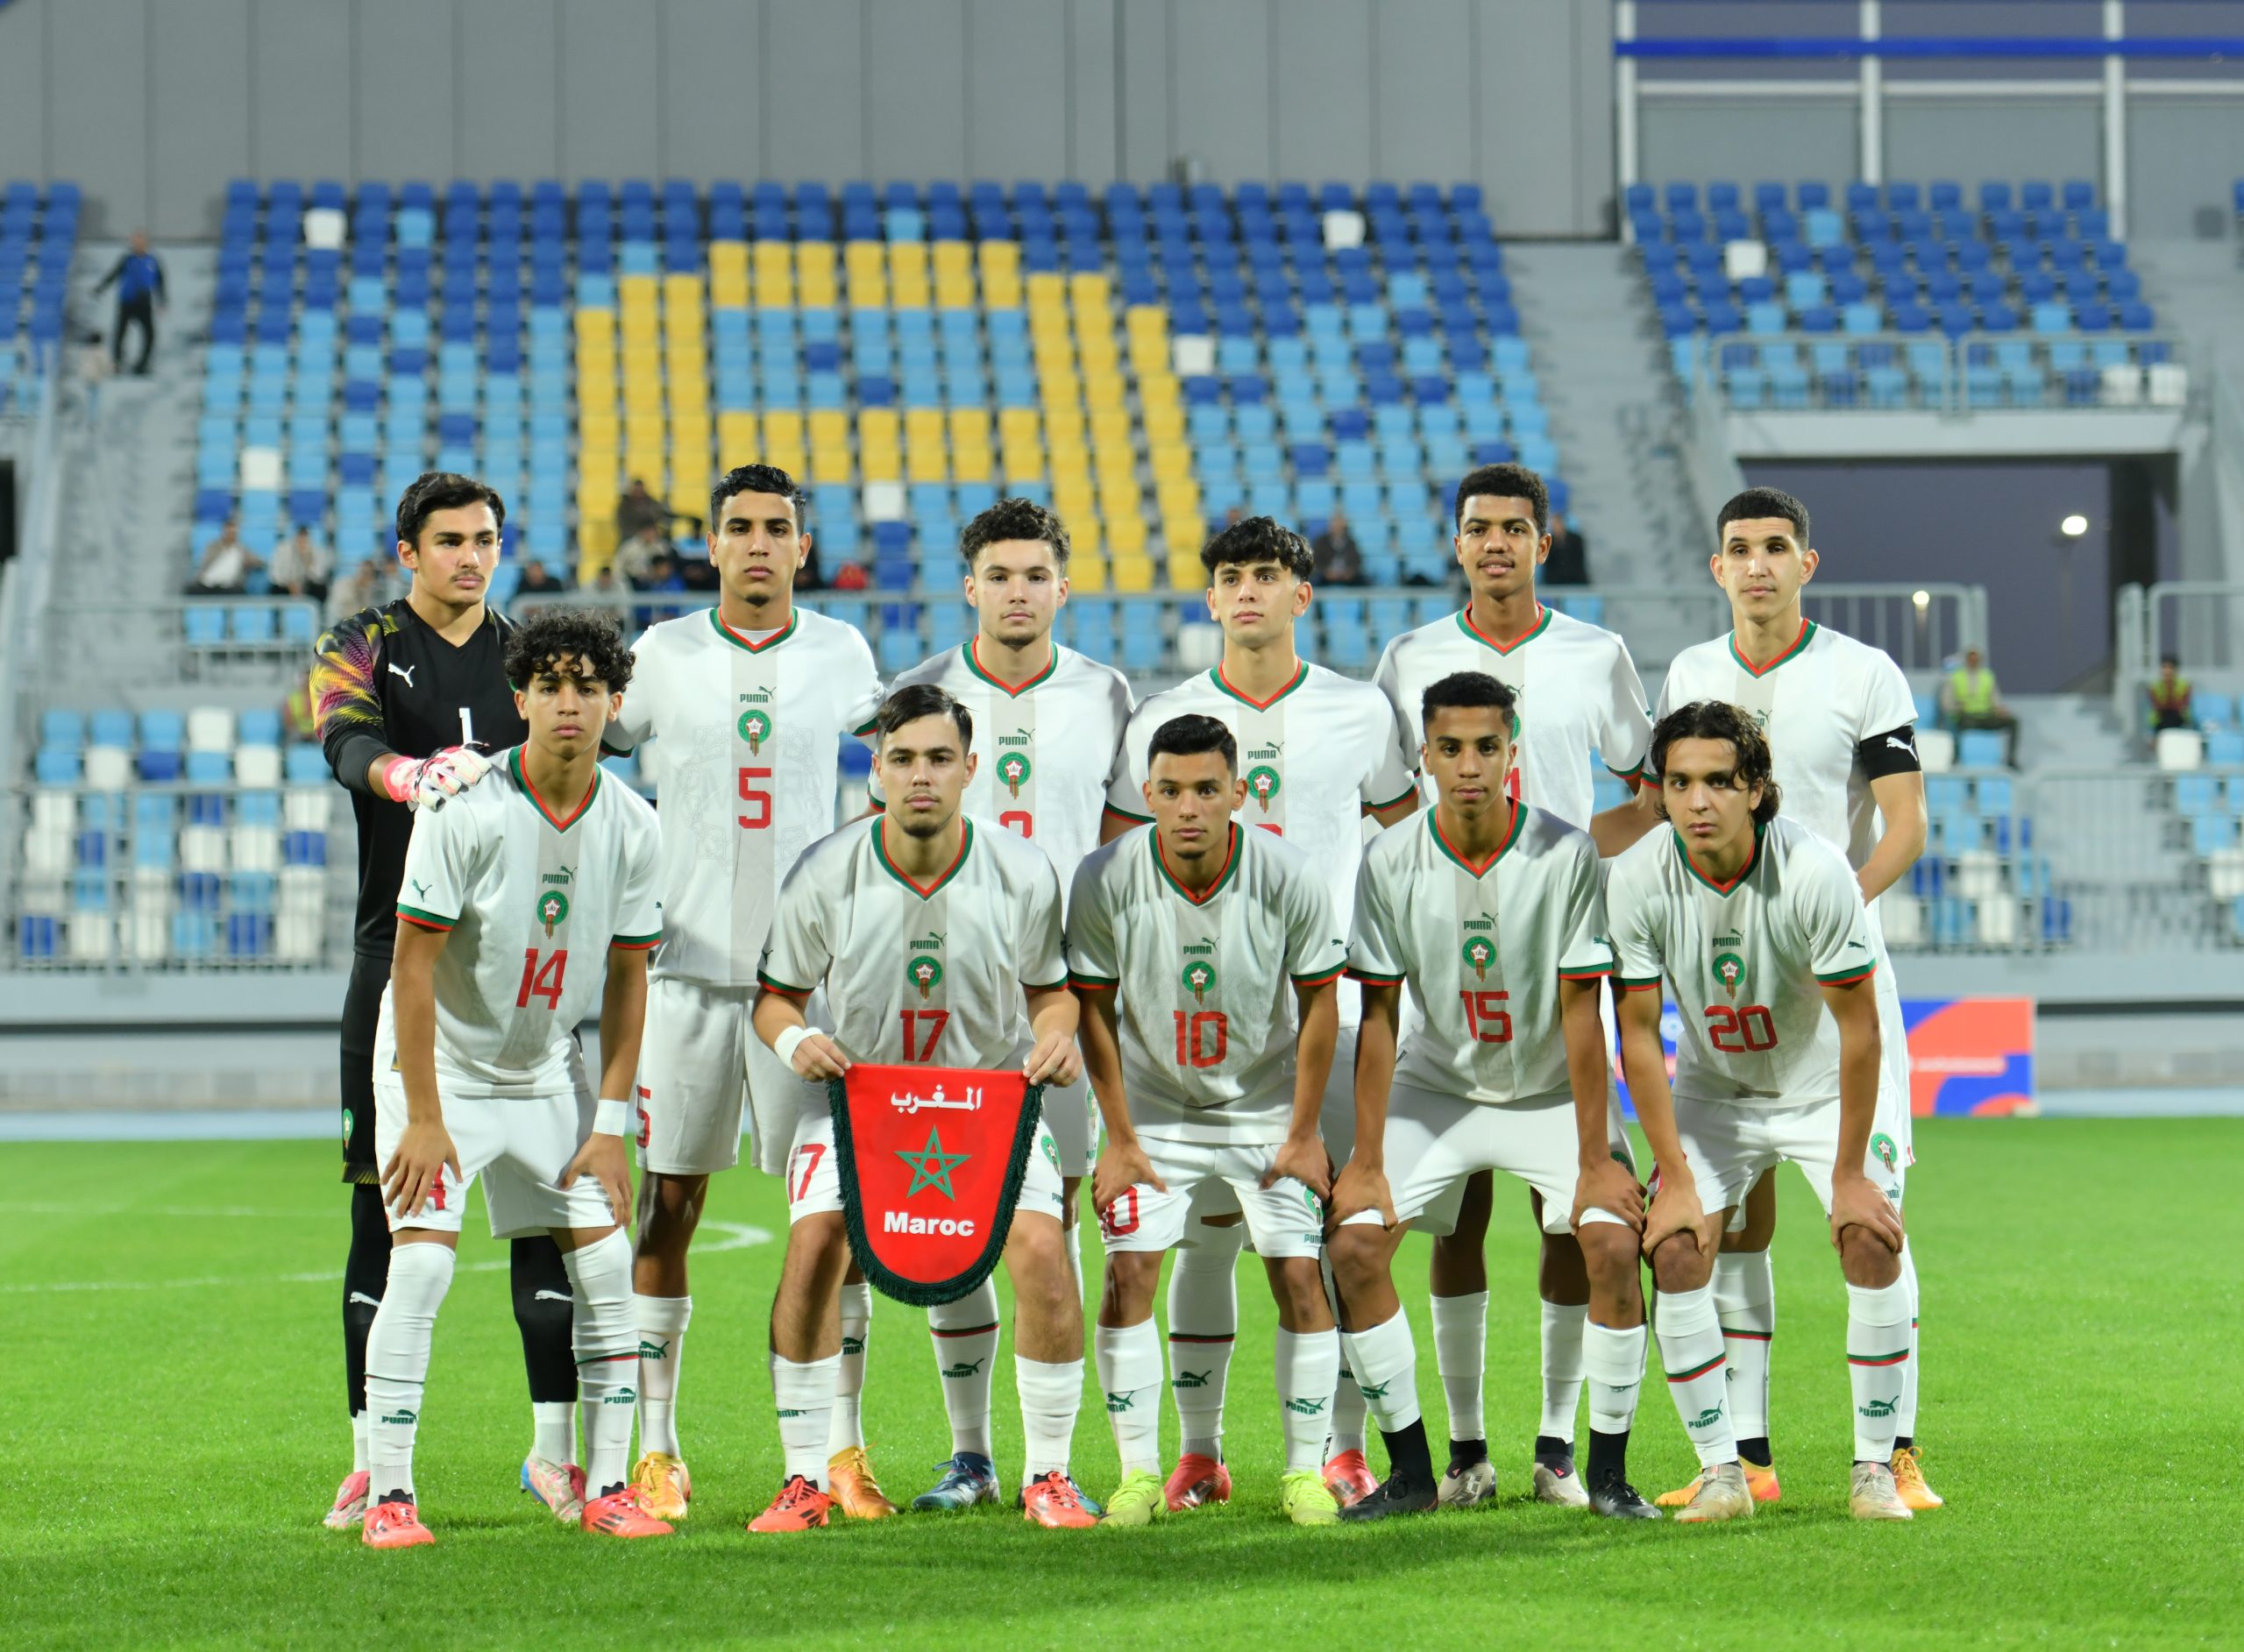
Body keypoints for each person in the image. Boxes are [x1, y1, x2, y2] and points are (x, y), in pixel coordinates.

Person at [1099, 514, 1418, 1512]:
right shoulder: (1163, 714)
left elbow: (1407, 852)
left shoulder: (1362, 711)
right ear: (1209, 600)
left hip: (1331, 1012)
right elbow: (1122, 858)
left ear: (1300, 595)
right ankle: (1196, 1453)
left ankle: (1338, 1450)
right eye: (1230, 577)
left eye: (1267, 576)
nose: (1248, 593)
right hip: (1193, 1027)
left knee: (1334, 1234)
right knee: (1199, 1236)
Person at [595, 464, 884, 1524]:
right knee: (670, 1205)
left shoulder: (844, 654)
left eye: (777, 528)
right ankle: (655, 1450)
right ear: (710, 546)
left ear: (803, 547)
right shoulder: (660, 655)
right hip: (682, 980)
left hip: (808, 990)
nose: (758, 544)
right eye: (738, 528)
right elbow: (585, 745)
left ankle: (839, 1450)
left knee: (835, 1220)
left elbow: (903, 765)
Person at [1369, 462, 1657, 1510]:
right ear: (1456, 542)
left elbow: (1651, 784)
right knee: (1455, 1220)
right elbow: (1387, 799)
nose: (1495, 544)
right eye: (1478, 528)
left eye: (1515, 528)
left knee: (1566, 1226)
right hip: (1450, 972)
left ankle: (1555, 1449)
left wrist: (1572, 853)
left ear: (1547, 540)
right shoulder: (1407, 658)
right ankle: (1464, 1452)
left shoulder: (1596, 655)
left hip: (1562, 946)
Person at [751, 683, 1096, 1531]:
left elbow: (1052, 995)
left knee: (1044, 1248)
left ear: (970, 768)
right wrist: (798, 1043)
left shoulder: (1019, 868)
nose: (920, 777)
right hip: (861, 1098)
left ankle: (1046, 1473)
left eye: (939, 759)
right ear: (877, 770)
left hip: (986, 1102)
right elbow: (774, 1000)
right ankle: (804, 1477)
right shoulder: (825, 868)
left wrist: (1057, 1036)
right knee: (813, 1244)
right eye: (901, 759)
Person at [360, 607, 671, 1547]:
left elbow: (627, 978)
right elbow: (410, 967)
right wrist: (421, 1116)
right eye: (550, 685)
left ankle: (609, 1484)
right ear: (520, 697)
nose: (569, 703)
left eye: (588, 686)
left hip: (543, 1076)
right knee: (418, 1267)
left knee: (609, 1267)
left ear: (615, 702)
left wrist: (608, 1122)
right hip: (440, 1070)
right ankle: (389, 1496)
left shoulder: (635, 826)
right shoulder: (469, 809)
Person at [1655, 486, 1938, 1512]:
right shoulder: (1690, 673)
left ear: (1805, 565)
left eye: (1777, 547)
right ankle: (1748, 1457)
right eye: (1740, 549)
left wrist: (1829, 918)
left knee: (1872, 1220)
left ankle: (1894, 1447)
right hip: (1726, 996)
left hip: (1832, 987)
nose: (1759, 564)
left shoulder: (1862, 672)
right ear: (1719, 568)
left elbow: (1903, 822)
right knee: (1730, 1227)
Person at [309, 472, 582, 1533]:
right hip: (399, 955)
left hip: (522, 968)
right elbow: (342, 740)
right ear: (408, 550)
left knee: (543, 1214)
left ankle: (554, 1454)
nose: (472, 558)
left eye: (486, 541)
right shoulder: (361, 640)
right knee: (381, 1206)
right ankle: (367, 1454)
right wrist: (406, 779)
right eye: (451, 541)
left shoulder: (531, 654)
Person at [873, 498, 1133, 1511]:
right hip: (942, 991)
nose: (1017, 591)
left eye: (1036, 575)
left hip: (1061, 993)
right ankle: (972, 1453)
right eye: (1000, 574)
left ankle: (1048, 1461)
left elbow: (1115, 844)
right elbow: (888, 824)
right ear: (968, 586)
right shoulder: (921, 691)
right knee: (955, 1215)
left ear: (1061, 588)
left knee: (1052, 1216)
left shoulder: (1106, 691)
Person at [1606, 699, 1914, 1524]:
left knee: (1869, 1237)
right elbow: (1637, 1037)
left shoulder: (1815, 872)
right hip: (1716, 1092)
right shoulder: (1636, 877)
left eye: (1717, 781)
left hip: (1825, 1091)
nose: (1696, 801)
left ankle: (1875, 1469)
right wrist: (1672, 1175)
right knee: (1672, 1249)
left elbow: (1860, 1029)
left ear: (1757, 789)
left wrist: (1849, 1175)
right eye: (1678, 783)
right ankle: (1723, 1473)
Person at [1071, 713, 1348, 1527]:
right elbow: (1092, 1009)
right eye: (1171, 790)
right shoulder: (1105, 875)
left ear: (1239, 791)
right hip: (1153, 1110)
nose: (1188, 807)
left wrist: (1303, 1132)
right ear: (1148, 793)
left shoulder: (1288, 874)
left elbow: (1320, 998)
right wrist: (1118, 1138)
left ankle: (1303, 1473)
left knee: (1299, 1272)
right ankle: (1137, 1472)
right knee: (1130, 1274)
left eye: (1205, 789)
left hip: (1265, 1108)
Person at [94, 230, 165, 375]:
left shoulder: (152, 261)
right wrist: (100, 288)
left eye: (141, 242)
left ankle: (143, 364)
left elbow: (160, 281)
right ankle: (118, 362)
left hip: (144, 303)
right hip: (127, 301)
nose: (138, 245)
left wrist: (162, 300)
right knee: (120, 333)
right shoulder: (127, 260)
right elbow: (113, 274)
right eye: (136, 242)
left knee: (149, 335)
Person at [1942, 646, 2020, 768]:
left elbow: (1995, 699)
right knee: (1957, 725)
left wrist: (2000, 710)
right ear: (1966, 659)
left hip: (1986, 717)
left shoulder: (1987, 676)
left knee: (2013, 722)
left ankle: (2011, 759)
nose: (1973, 661)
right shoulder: (1956, 677)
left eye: (1976, 658)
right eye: (1971, 658)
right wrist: (1957, 708)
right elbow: (1946, 702)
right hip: (1966, 717)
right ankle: (1956, 758)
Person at [188, 518, 263, 595]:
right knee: (192, 590)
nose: (231, 535)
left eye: (233, 532)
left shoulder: (242, 550)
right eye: (228, 532)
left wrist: (249, 563)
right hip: (208, 584)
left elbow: (260, 562)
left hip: (229, 586)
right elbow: (204, 563)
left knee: (238, 592)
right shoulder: (213, 546)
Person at [272, 524, 334, 603]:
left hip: (308, 585)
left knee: (321, 589)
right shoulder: (283, 549)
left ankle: (319, 612)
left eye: (305, 538)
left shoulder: (317, 551)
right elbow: (275, 575)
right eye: (299, 537)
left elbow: (319, 576)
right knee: (275, 589)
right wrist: (289, 583)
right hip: (286, 586)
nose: (302, 541)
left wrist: (307, 560)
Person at [1310, 507, 1365, 586]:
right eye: (1335, 522)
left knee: (1363, 582)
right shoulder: (1321, 542)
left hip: (1347, 578)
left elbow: (1357, 561)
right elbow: (1316, 560)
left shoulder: (1351, 542)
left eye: (1340, 522)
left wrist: (1350, 572)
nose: (1338, 526)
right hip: (1325, 578)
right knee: (1315, 581)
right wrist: (1326, 572)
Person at [1543, 511, 1591, 586]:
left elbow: (1579, 559)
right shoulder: (1548, 541)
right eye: (1554, 524)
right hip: (1554, 580)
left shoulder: (1576, 539)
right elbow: (1546, 561)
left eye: (1557, 523)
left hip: (1575, 578)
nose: (1556, 527)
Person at [2148, 655, 2193, 734]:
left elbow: (2182, 705)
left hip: (2179, 717)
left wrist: (2171, 687)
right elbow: (2158, 705)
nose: (2167, 671)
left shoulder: (2185, 685)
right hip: (2161, 718)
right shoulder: (2154, 687)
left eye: (2170, 668)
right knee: (2165, 719)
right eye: (2164, 667)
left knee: (2173, 718)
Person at [615, 478, 666, 545]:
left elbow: (658, 516)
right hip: (630, 535)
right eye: (636, 489)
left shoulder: (651, 503)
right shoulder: (625, 505)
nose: (638, 492)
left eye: (640, 489)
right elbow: (621, 522)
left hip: (650, 534)